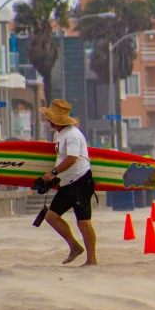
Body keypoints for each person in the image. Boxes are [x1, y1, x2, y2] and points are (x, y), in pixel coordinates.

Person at [39, 99, 97, 266]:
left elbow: (72, 158)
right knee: (51, 217)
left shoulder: (72, 135)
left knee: (84, 222)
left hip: (80, 182)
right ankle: (75, 246)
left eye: (49, 118)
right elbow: (62, 157)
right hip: (66, 184)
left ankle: (91, 260)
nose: (48, 121)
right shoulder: (59, 134)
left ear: (57, 120)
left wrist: (53, 173)